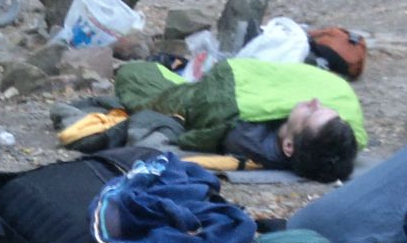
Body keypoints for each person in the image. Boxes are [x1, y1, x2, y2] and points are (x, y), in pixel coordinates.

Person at [107, 56, 366, 183]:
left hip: (208, 97)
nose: (314, 101)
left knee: (134, 74)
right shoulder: (294, 137)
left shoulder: (243, 133)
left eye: (311, 113)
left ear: (289, 146)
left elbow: (216, 105)